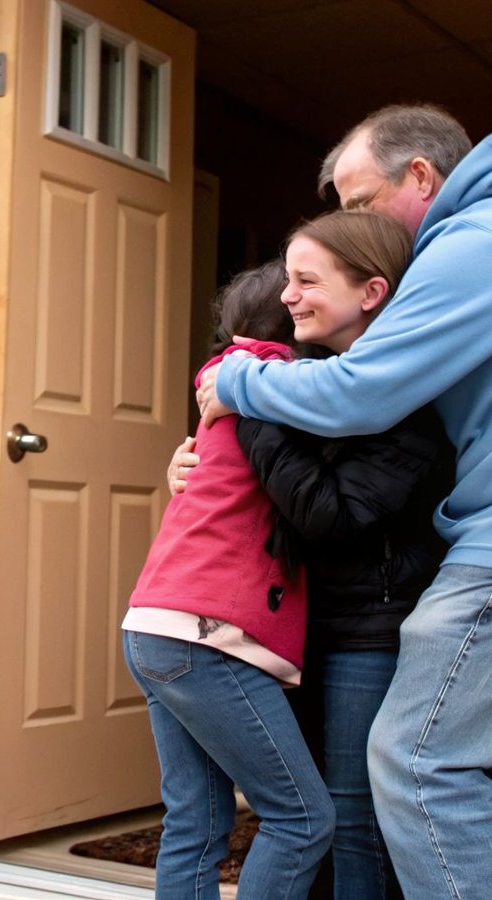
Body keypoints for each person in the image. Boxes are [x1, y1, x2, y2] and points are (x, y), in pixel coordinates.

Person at [193, 105, 492, 900]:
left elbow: (362, 392)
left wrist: (237, 381)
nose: (352, 225)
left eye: (358, 204)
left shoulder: (479, 241)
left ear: (420, 177)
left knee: (420, 764)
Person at [172, 210, 453, 900]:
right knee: (304, 815)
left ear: (372, 292)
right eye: (287, 280)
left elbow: (331, 516)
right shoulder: (291, 375)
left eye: (307, 280)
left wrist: (251, 410)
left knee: (351, 816)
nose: (290, 295)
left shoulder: (403, 400)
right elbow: (255, 494)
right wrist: (194, 463)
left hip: (365, 630)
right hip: (286, 626)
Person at [125, 259, 333, 900]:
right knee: (302, 818)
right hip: (205, 635)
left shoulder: (224, 391)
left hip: (152, 625)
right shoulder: (280, 384)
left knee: (196, 819)